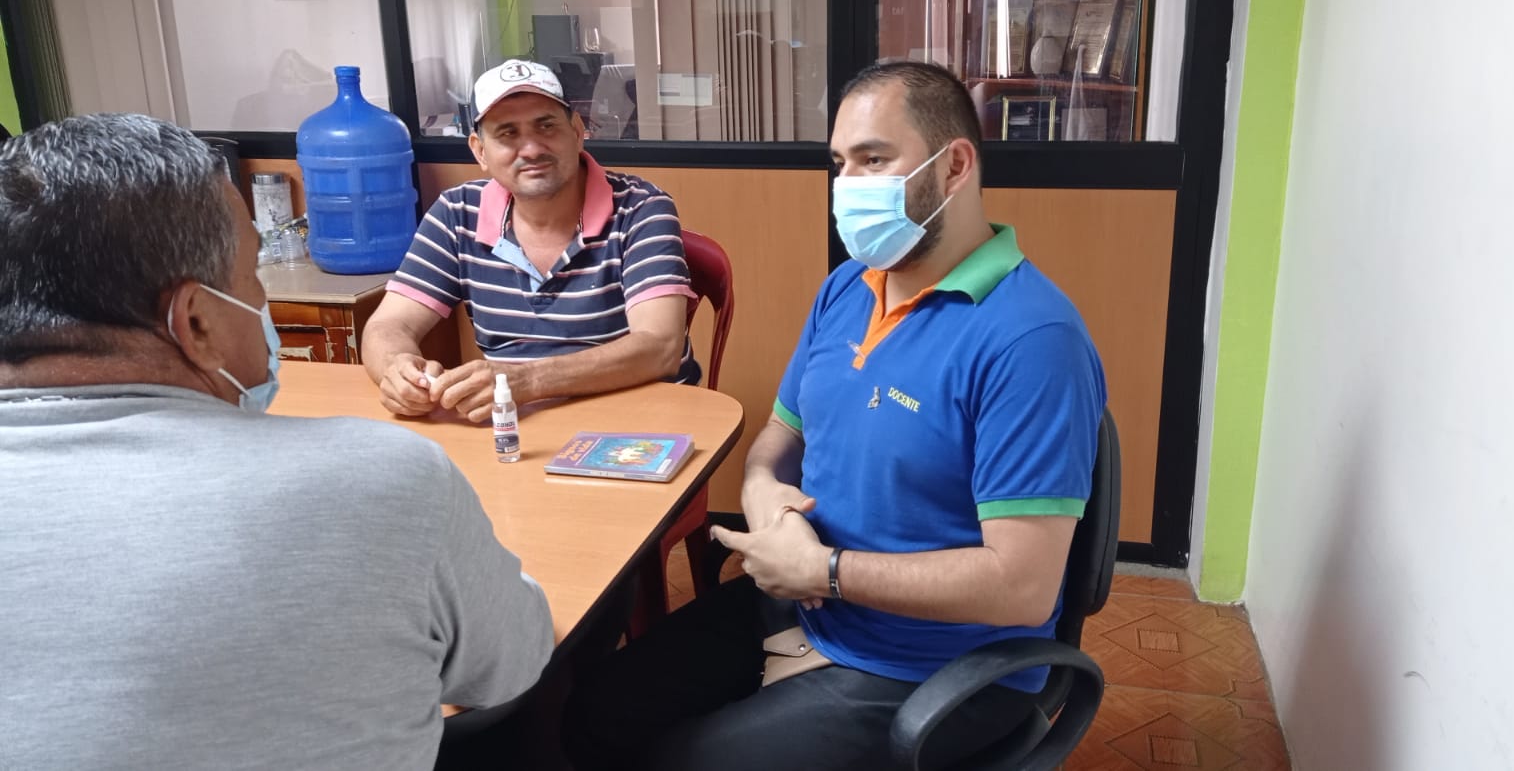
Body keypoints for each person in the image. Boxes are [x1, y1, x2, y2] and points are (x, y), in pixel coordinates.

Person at [563, 61, 1107, 770]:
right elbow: (781, 435)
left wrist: (828, 571)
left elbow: (1023, 587)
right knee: (594, 710)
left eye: (873, 160)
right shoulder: (847, 288)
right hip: (805, 603)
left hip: (925, 665)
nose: (847, 185)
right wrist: (762, 490)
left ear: (955, 166)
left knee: (679, 761)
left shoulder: (1032, 340)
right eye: (839, 163)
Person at [0, 114, 554, 770]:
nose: (261, 297)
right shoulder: (381, 480)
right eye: (252, 274)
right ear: (196, 322)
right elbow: (510, 664)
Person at [362, 59, 698, 422]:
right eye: (507, 133)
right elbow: (388, 326)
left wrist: (528, 380)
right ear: (480, 151)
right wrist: (397, 370)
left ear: (577, 131)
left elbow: (660, 347)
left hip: (638, 424)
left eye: (546, 126)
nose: (532, 148)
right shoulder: (457, 214)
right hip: (517, 427)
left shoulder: (641, 208)